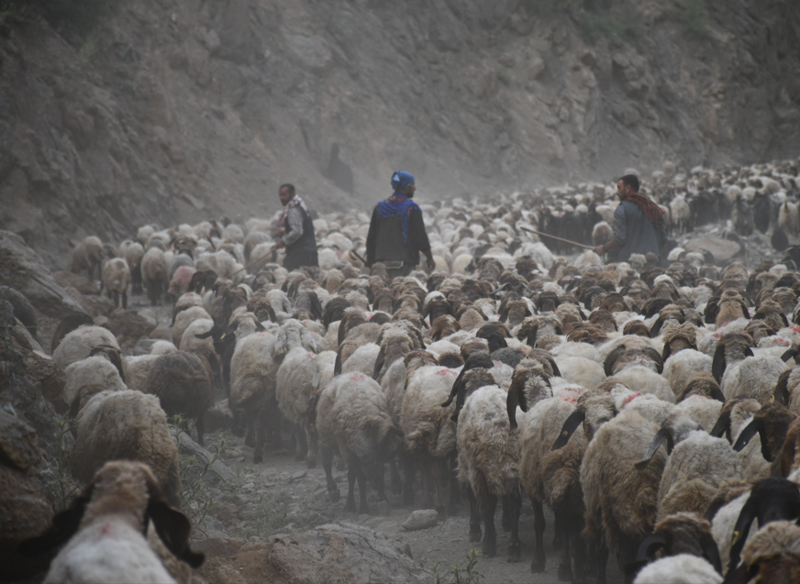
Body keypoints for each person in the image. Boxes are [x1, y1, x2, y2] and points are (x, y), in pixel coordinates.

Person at [366, 170, 436, 279]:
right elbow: (420, 237)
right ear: (405, 186)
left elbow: (371, 238)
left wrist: (371, 262)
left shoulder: (379, 208)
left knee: (382, 294)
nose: (414, 188)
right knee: (403, 294)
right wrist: (429, 258)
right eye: (412, 184)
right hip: (404, 266)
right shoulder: (412, 209)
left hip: (380, 266)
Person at [592, 174, 667, 263]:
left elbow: (620, 238)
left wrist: (604, 248)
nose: (617, 192)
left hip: (631, 261)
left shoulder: (622, 209)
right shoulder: (654, 208)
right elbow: (663, 237)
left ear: (628, 188)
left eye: (619, 188)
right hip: (653, 260)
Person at [275, 183, 319, 271]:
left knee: (289, 279)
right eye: (280, 195)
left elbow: (297, 231)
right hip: (310, 252)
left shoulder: (293, 211)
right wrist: (287, 232)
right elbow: (301, 227)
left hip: (298, 256)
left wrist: (283, 241)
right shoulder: (300, 208)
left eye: (284, 194)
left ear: (293, 194)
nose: (281, 198)